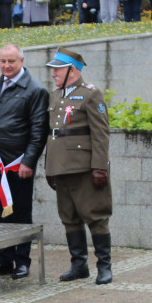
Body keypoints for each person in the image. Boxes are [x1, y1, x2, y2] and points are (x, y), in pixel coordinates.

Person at [0, 44, 49, 281]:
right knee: (0, 215)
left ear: (22, 61)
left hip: (18, 165)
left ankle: (22, 262)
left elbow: (39, 130)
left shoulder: (35, 90)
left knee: (21, 215)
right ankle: (4, 262)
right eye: (3, 61)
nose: (6, 66)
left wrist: (29, 161)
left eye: (11, 61)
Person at [44, 48, 113, 284]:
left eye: (57, 69)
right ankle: (79, 264)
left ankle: (104, 266)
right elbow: (52, 134)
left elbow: (101, 133)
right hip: (61, 167)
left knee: (96, 217)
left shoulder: (91, 94)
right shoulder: (54, 96)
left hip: (84, 168)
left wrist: (100, 167)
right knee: (69, 217)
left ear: (72, 70)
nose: (53, 74)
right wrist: (49, 167)